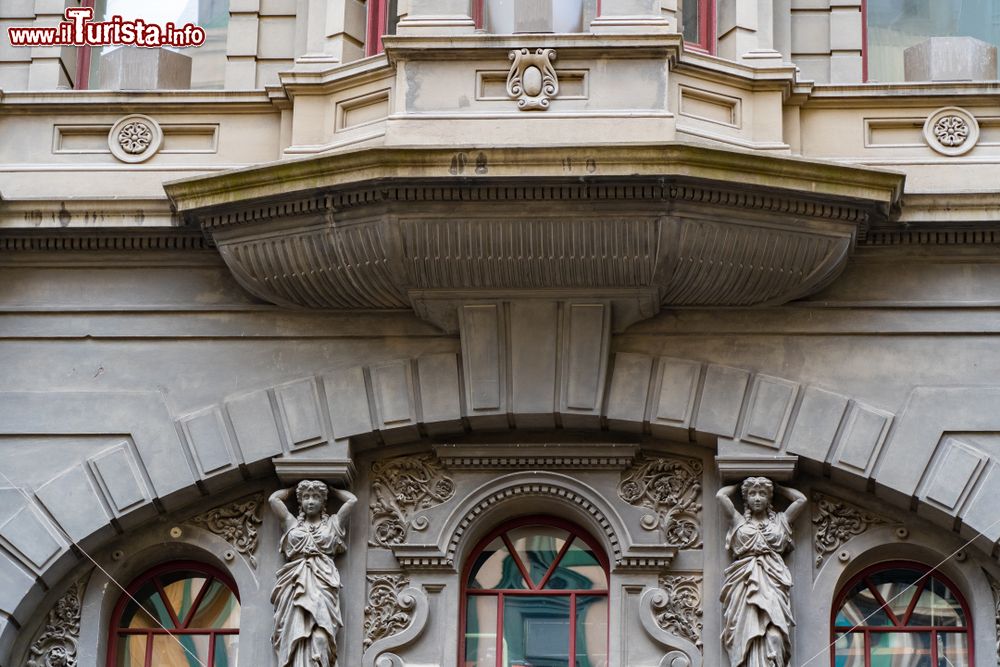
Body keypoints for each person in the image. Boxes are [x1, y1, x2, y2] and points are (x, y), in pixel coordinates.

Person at [716, 477, 806, 667]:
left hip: (773, 578)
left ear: (769, 498)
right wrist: (738, 486)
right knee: (745, 628)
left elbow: (801, 500)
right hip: (745, 579)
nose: (757, 498)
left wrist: (779, 487)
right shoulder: (738, 521)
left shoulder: (781, 521)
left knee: (775, 632)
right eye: (752, 494)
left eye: (762, 494)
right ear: (746, 498)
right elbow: (721, 496)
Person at [269, 480, 357, 667]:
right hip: (295, 580)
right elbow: (273, 499)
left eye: (316, 497)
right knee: (294, 629)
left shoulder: (333, 524)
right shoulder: (291, 523)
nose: (310, 501)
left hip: (323, 581)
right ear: (300, 502)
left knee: (321, 635)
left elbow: (352, 501)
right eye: (306, 497)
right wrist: (292, 489)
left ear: (323, 502)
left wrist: (333, 490)